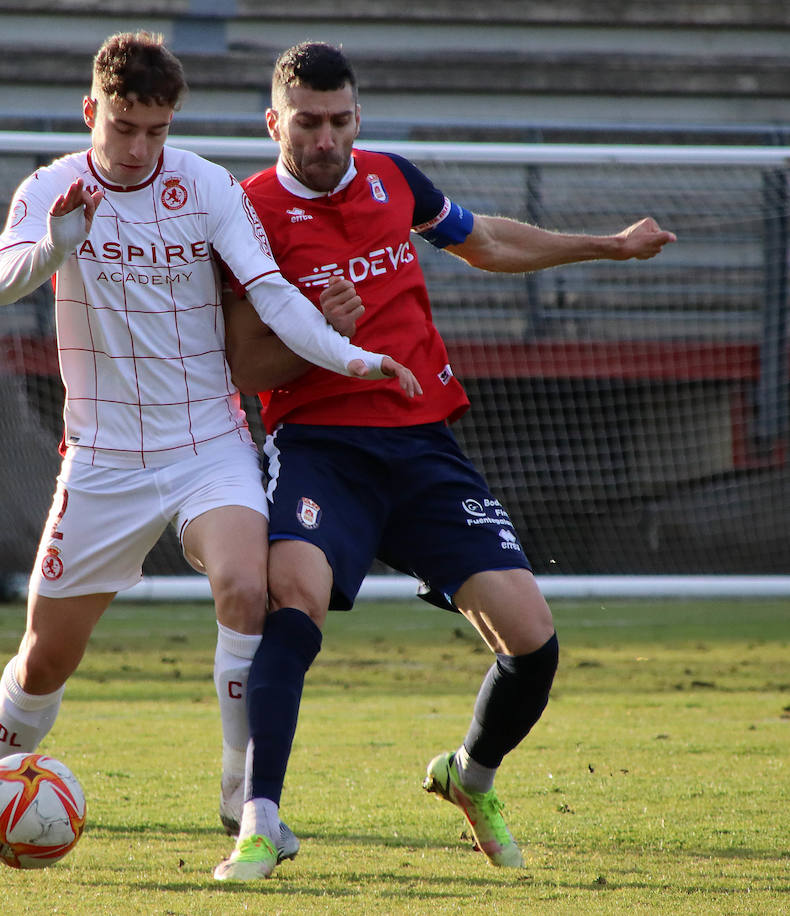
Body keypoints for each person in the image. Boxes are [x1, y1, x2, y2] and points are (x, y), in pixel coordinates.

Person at [0, 31, 421, 869]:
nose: (139, 148)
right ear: (92, 113)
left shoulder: (207, 187)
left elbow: (275, 298)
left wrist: (361, 358)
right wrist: (58, 243)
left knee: (244, 585)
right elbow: (1, 284)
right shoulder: (52, 188)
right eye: (122, 128)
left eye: (155, 131)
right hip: (104, 457)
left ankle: (239, 791)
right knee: (45, 656)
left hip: (206, 440)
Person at [217, 42, 678, 880]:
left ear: (358, 116)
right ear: (274, 122)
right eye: (309, 123)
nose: (327, 139)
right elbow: (246, 366)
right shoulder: (244, 211)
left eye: (342, 121)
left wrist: (608, 246)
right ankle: (261, 819)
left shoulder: (395, 178)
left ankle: (470, 777)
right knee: (293, 600)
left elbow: (487, 242)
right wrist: (325, 333)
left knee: (532, 640)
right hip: (320, 446)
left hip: (424, 442)